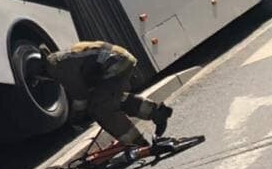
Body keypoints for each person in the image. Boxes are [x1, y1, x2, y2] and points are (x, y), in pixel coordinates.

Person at [39, 41, 173, 146]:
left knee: (101, 109)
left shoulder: (58, 68)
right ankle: (157, 113)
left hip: (115, 64)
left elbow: (80, 98)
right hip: (121, 59)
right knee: (115, 99)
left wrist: (76, 120)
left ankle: (137, 144)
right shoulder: (63, 57)